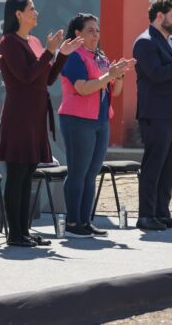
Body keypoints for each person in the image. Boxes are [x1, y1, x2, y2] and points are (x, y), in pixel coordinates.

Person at [0, 0, 82, 247]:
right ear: (18, 14)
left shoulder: (33, 41)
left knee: (28, 174)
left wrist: (62, 55)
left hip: (35, 117)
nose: (36, 12)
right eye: (31, 9)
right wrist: (49, 52)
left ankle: (24, 230)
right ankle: (15, 234)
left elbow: (46, 78)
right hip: (18, 116)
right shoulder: (8, 42)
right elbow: (25, 76)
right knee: (17, 175)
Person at [58, 14, 134, 238]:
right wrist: (108, 75)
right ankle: (72, 223)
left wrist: (118, 75)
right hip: (77, 120)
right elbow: (82, 88)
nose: (96, 35)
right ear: (78, 34)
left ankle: (85, 221)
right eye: (91, 30)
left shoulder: (100, 56)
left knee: (92, 173)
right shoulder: (73, 56)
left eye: (97, 30)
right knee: (78, 172)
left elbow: (115, 91)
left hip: (100, 120)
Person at [132, 0, 172, 231]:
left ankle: (162, 213)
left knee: (171, 167)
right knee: (153, 166)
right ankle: (146, 215)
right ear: (159, 16)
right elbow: (156, 74)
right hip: (156, 115)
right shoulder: (145, 42)